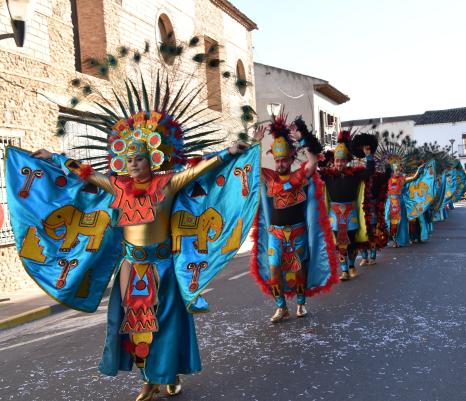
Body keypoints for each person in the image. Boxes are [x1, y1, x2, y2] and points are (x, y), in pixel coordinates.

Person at [6, 44, 261, 400]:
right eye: (127, 159)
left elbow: (200, 169)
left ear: (152, 159)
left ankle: (165, 374)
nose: (132, 164)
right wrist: (54, 157)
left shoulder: (167, 182)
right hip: (131, 266)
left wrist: (230, 151)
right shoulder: (117, 186)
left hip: (164, 266)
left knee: (167, 325)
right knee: (134, 326)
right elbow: (85, 174)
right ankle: (148, 378)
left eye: (139, 159)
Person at [249, 115, 338, 323]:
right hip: (275, 234)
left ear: (290, 159)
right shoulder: (269, 177)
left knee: (299, 270)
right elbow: (251, 167)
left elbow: (314, 161)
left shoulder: (299, 176)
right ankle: (281, 307)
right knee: (274, 268)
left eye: (284, 159)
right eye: (277, 160)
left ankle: (300, 304)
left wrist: (303, 138)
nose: (280, 163)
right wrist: (256, 143)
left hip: (298, 232)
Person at [320, 131, 374, 281]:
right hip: (335, 216)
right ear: (333, 161)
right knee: (340, 244)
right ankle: (344, 270)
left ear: (347, 161)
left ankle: (351, 265)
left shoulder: (355, 175)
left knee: (352, 243)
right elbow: (312, 172)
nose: (339, 163)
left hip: (351, 215)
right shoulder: (328, 176)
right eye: (337, 161)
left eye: (342, 161)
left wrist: (368, 155)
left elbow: (370, 171)